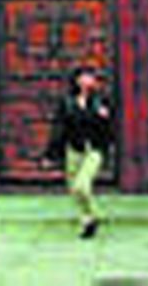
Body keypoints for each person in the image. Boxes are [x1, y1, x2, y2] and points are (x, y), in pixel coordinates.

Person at [44, 65, 112, 238]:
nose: (87, 81)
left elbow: (110, 128)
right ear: (77, 80)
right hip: (74, 148)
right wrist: (51, 153)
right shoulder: (67, 102)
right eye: (84, 77)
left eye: (90, 77)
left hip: (94, 149)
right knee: (74, 189)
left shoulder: (101, 100)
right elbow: (59, 128)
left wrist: (104, 118)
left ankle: (93, 214)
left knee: (82, 184)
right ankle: (87, 221)